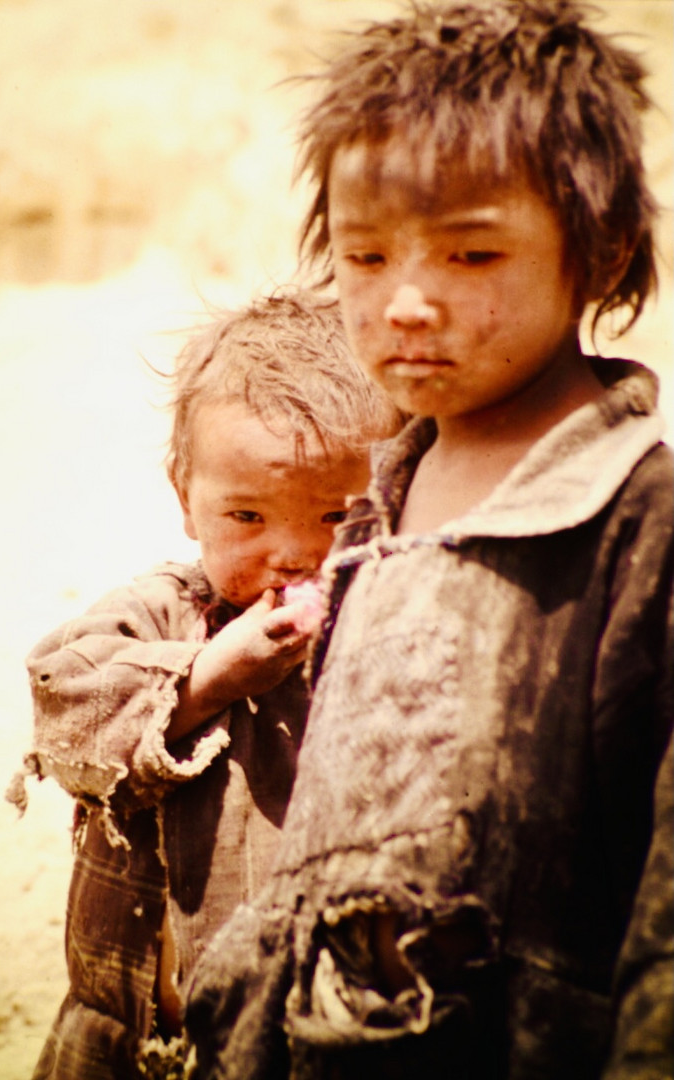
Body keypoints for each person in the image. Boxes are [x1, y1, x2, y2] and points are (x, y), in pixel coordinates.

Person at [184, 3, 674, 1078]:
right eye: (364, 255)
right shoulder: (376, 504)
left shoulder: (637, 522)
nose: (405, 302)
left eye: (470, 252)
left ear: (601, 253)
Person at [8, 289, 403, 1080]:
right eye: (248, 517)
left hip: (305, 1037)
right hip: (130, 1030)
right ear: (186, 498)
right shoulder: (161, 613)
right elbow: (63, 703)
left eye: (334, 517)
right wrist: (207, 680)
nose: (292, 555)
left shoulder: (391, 628)